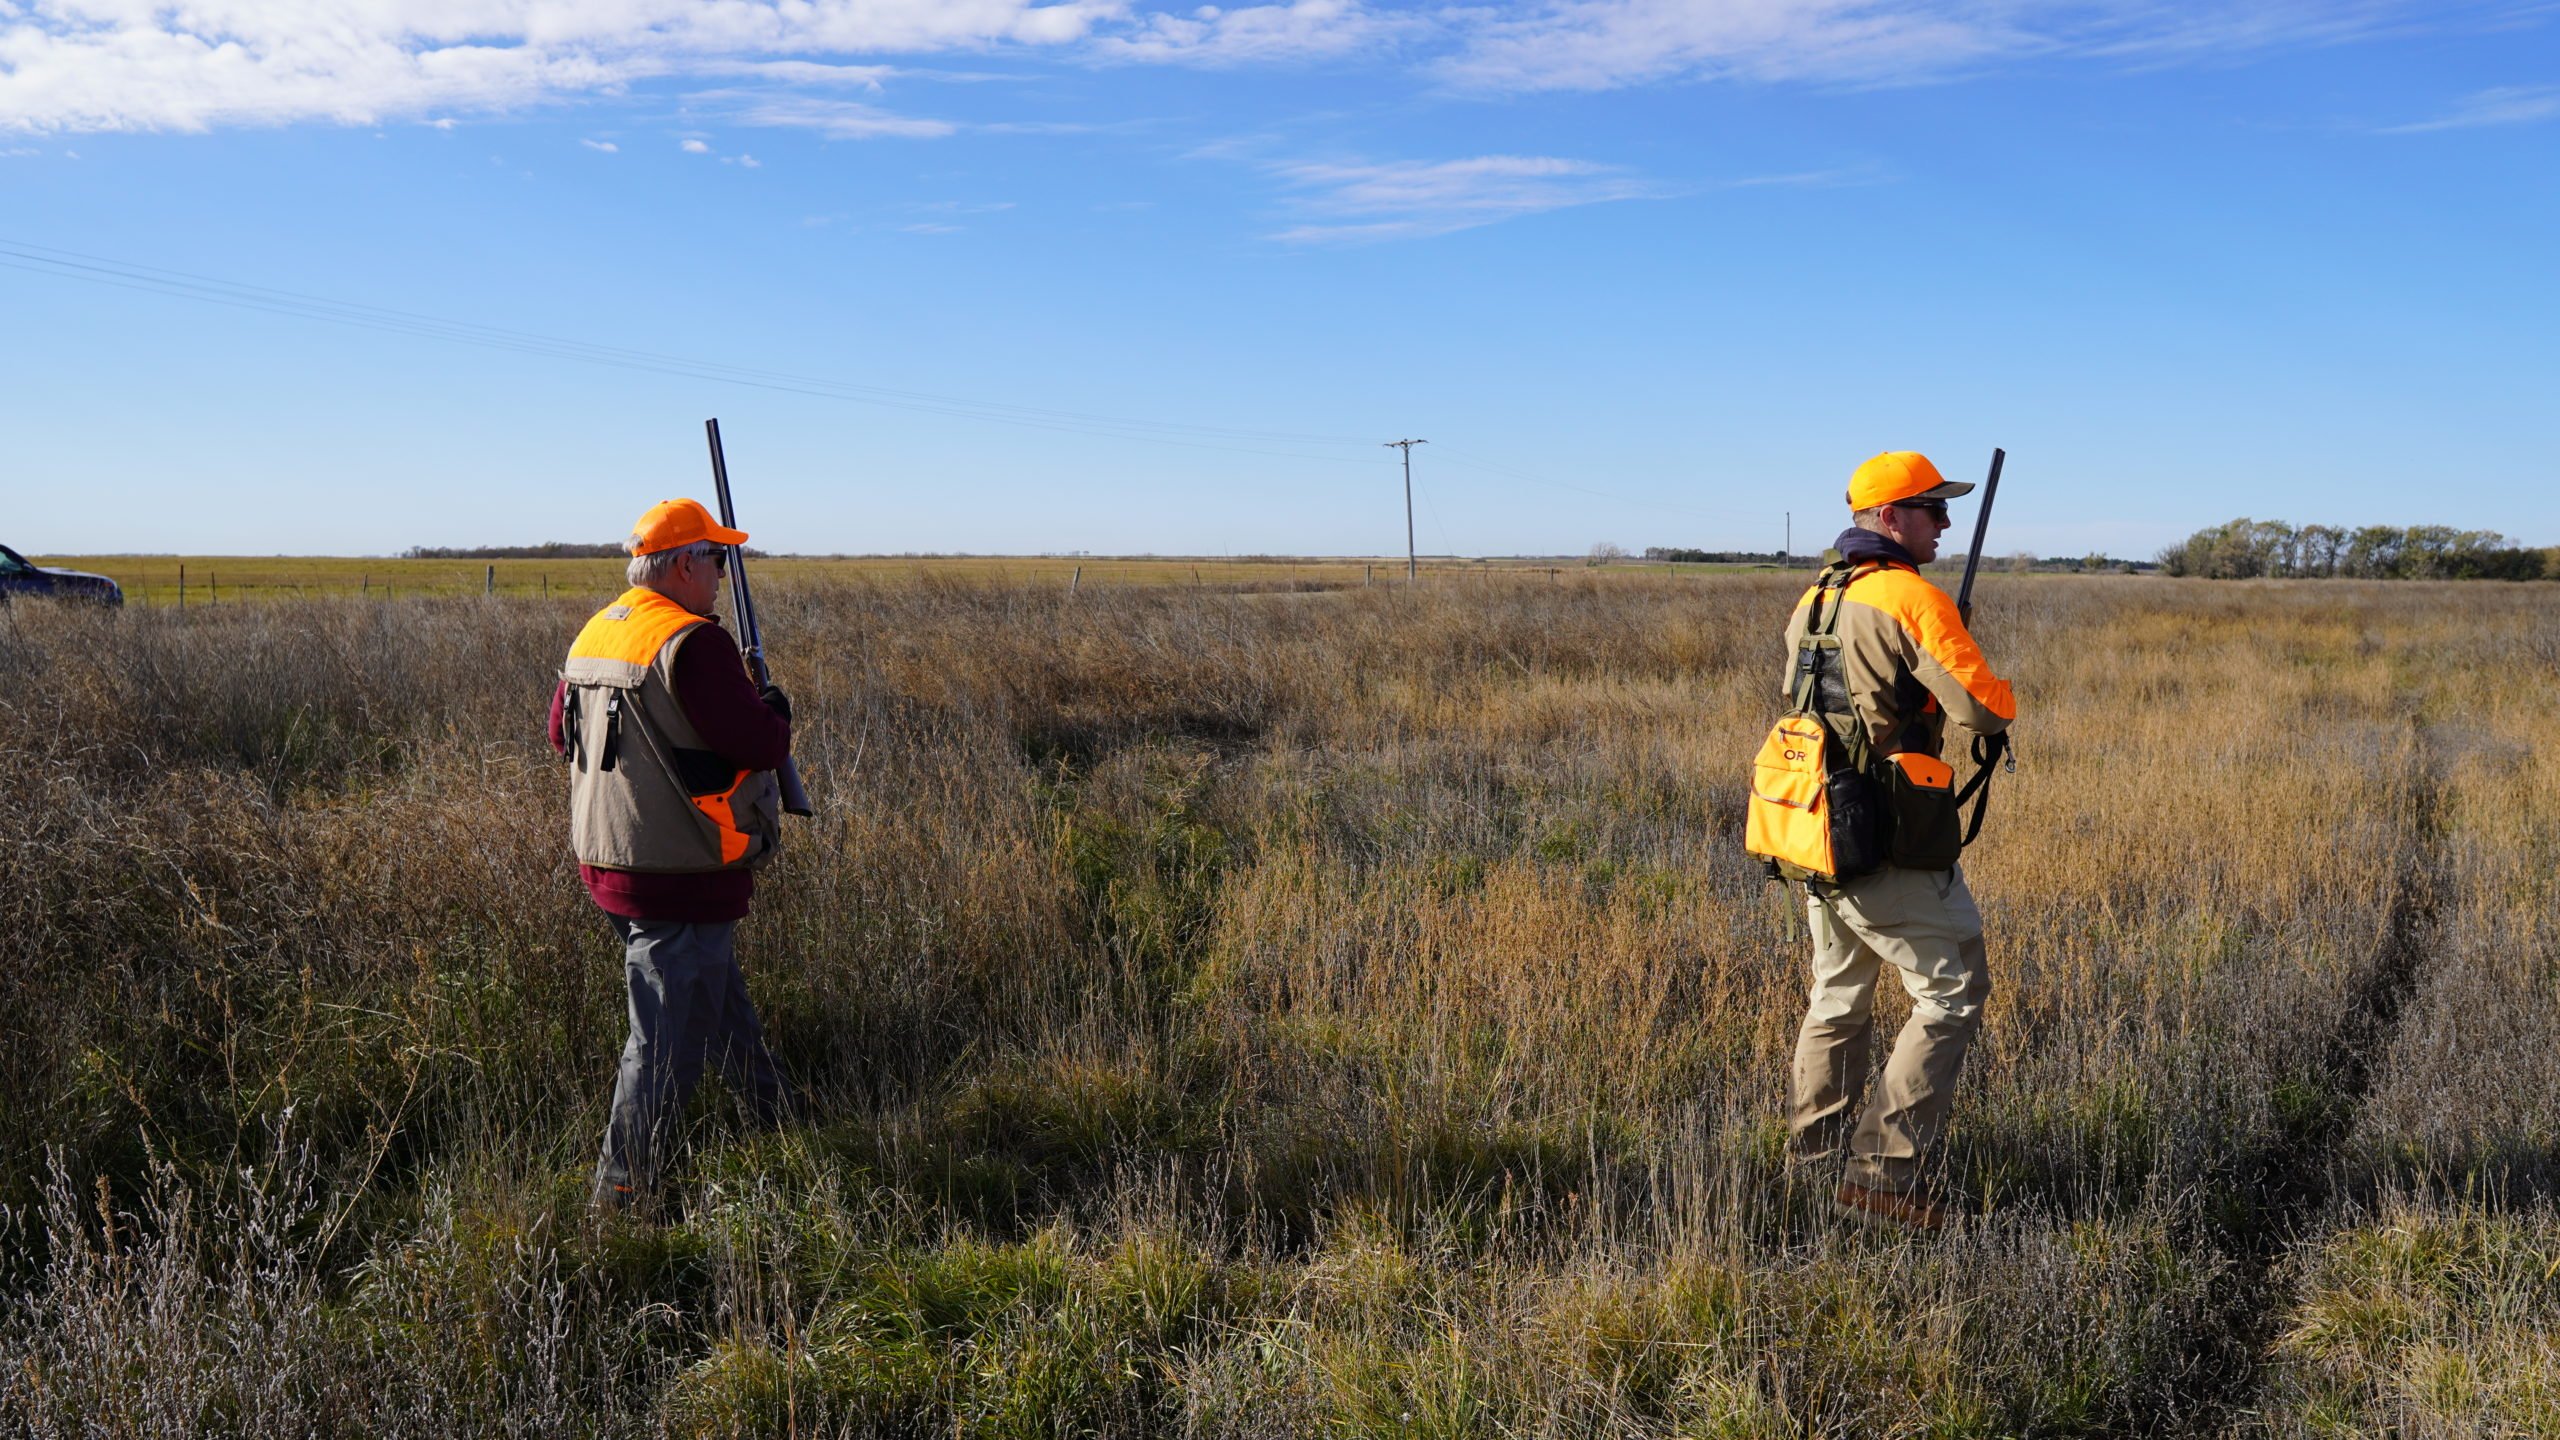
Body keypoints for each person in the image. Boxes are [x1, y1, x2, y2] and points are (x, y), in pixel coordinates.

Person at [1782, 451, 2017, 1230]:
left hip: (1817, 829)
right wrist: (1958, 651)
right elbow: (1985, 713)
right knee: (1952, 994)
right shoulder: (1911, 598)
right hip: (1886, 834)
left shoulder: (1816, 597)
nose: (1945, 523)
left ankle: (1811, 1164)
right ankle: (1881, 1176)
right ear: (1889, 518)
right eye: (1931, 508)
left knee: (1839, 996)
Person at [548, 497, 796, 1209]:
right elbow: (757, 745)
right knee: (664, 1042)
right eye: (715, 559)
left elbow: (560, 735)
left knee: (715, 1005)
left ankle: (774, 1122)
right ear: (684, 564)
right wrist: (773, 712)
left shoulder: (598, 630)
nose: (721, 573)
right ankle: (620, 1195)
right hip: (679, 869)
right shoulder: (694, 642)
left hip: (610, 861)